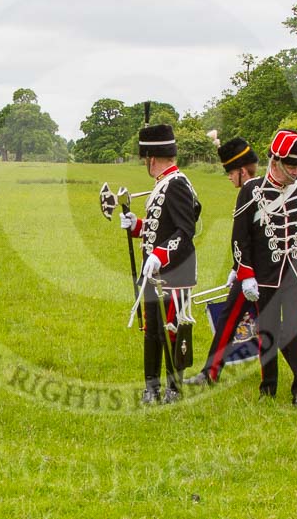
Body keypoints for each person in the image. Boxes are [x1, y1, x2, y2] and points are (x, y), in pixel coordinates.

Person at [230, 129, 297, 407]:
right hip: (264, 276)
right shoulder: (252, 190)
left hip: (296, 275)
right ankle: (268, 386)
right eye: (290, 166)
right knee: (268, 330)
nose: (295, 172)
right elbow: (240, 237)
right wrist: (245, 273)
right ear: (275, 161)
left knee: (296, 328)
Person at [119, 123, 200, 404]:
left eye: (145, 158)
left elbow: (184, 230)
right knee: (152, 332)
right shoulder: (163, 183)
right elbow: (160, 227)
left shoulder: (176, 183)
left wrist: (160, 255)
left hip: (175, 273)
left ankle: (173, 389)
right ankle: (151, 387)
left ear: (151, 158)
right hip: (155, 274)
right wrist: (136, 225)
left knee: (174, 331)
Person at [193, 135, 261, 386]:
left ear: (242, 171)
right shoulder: (261, 188)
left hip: (254, 273)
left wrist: (243, 271)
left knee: (232, 319)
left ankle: (209, 372)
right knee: (233, 319)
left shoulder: (249, 189)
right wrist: (236, 268)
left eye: (231, 172)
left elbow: (242, 236)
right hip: (249, 270)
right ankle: (210, 371)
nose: (230, 177)